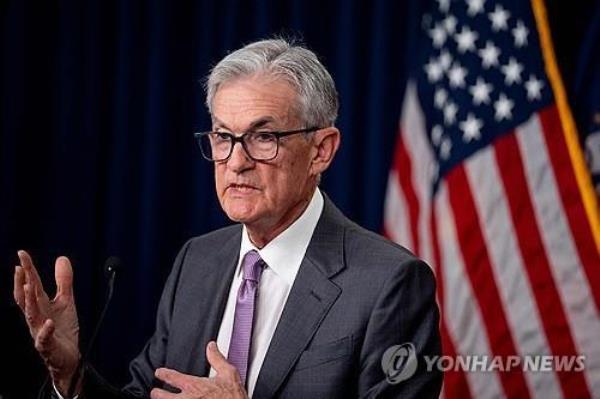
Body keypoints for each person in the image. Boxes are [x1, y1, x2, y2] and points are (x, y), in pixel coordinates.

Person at [13, 38, 442, 399]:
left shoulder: (390, 284)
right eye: (223, 136)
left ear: (321, 150)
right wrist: (73, 376)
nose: (236, 162)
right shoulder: (198, 260)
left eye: (263, 137)